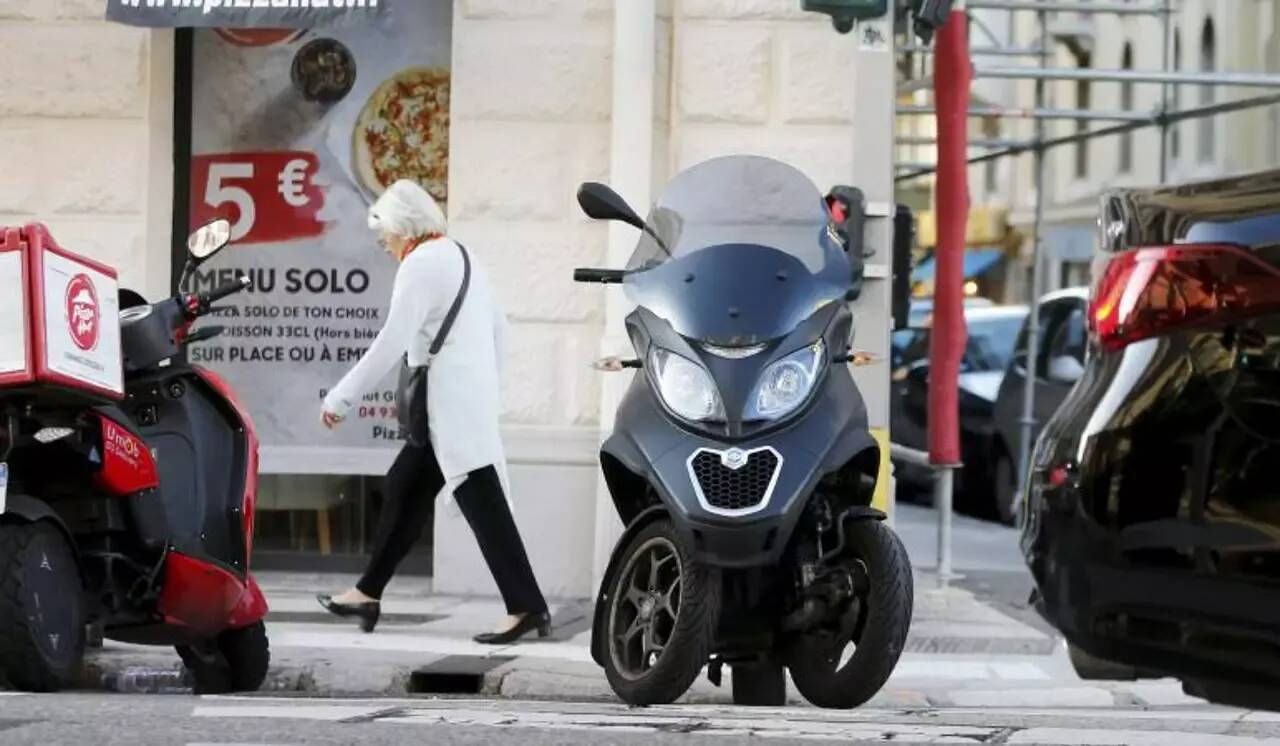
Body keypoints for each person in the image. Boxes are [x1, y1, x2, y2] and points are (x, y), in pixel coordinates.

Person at [316, 179, 550, 644]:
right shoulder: (465, 256)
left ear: (403, 227)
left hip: (445, 404)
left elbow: (392, 341)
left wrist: (341, 397)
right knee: (405, 488)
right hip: (463, 401)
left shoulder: (421, 264)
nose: (385, 244)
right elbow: (500, 331)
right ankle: (367, 592)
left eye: (385, 233)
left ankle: (527, 606)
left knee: (481, 502)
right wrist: (486, 389)